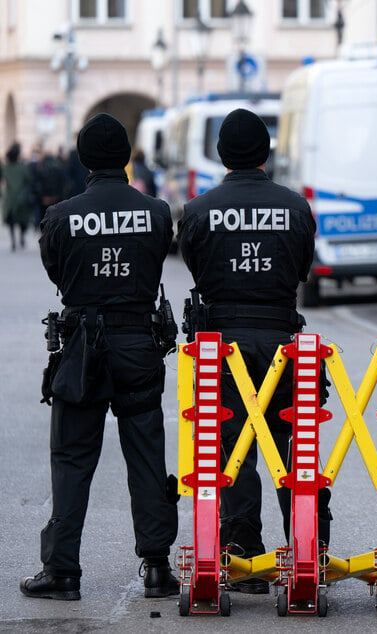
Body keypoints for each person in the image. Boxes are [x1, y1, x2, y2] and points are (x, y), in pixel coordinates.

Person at [20, 113, 179, 601]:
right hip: (138, 344)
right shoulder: (156, 211)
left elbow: (57, 271)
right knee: (147, 456)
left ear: (85, 159)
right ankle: (156, 567)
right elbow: (156, 261)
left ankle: (62, 569)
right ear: (126, 156)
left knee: (71, 456)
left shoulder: (62, 216)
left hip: (83, 345)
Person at [177, 108, 329, 594]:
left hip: (223, 348)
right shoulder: (296, 207)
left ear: (221, 154)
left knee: (233, 450)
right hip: (286, 343)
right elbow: (302, 267)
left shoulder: (200, 210)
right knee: (294, 445)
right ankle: (309, 551)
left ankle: (243, 556)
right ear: (265, 153)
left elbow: (196, 268)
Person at [2, 142, 33, 251]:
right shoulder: (23, 167)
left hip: (9, 199)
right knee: (22, 221)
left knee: (11, 222)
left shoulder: (5, 167)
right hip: (21, 198)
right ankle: (21, 237)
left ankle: (13, 241)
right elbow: (29, 180)